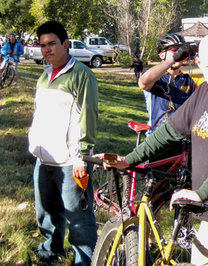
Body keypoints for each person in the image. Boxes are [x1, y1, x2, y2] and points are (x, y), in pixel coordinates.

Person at [95, 33, 208, 266]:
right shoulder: (203, 93)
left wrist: (201, 193)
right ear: (200, 64)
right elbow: (168, 132)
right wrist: (129, 160)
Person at [28, 20, 98, 265]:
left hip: (71, 162)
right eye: (43, 45)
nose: (47, 50)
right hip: (44, 158)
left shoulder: (81, 75)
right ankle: (51, 249)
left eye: (52, 44)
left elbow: (88, 117)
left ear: (66, 44)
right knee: (46, 213)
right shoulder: (44, 75)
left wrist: (82, 157)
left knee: (78, 218)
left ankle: (85, 260)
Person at [139, 33, 196, 135]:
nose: (179, 53)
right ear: (162, 55)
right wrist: (173, 59)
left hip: (183, 138)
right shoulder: (156, 77)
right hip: (157, 137)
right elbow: (144, 82)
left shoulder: (190, 80)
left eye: (181, 50)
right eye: (175, 50)